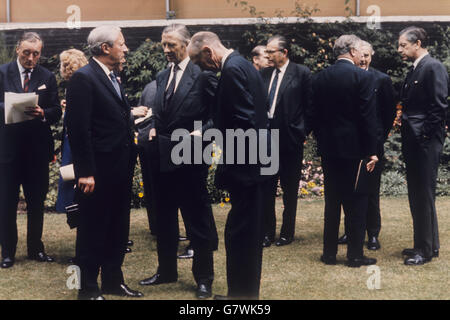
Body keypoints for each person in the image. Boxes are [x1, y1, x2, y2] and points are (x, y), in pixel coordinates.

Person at [188, 31, 270, 299]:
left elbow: (244, 122)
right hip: (254, 166)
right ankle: (242, 294)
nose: (201, 69)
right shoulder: (245, 65)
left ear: (209, 52)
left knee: (241, 235)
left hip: (245, 168)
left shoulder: (233, 70)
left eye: (200, 62)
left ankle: (242, 297)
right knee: (243, 234)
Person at [138, 24, 218, 299]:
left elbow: (217, 117)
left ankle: (204, 279)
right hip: (161, 155)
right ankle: (167, 270)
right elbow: (162, 112)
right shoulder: (162, 76)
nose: (166, 50)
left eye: (171, 44)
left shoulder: (204, 76)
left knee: (197, 218)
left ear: (186, 44)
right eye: (163, 44)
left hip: (191, 157)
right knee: (164, 217)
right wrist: (152, 126)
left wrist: (202, 133)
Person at [65, 25, 143, 300]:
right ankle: (86, 289)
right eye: (121, 44)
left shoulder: (112, 76)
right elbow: (78, 128)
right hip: (96, 172)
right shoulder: (84, 79)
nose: (125, 49)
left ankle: (113, 280)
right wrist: (85, 172)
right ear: (105, 48)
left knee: (117, 227)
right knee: (91, 230)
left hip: (119, 169)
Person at [309, 34, 378, 268]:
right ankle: (355, 255)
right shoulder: (362, 77)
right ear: (351, 51)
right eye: (359, 51)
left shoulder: (319, 78)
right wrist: (372, 150)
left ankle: (329, 253)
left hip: (329, 149)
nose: (361, 55)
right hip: (355, 150)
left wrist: (323, 140)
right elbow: (368, 118)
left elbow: (313, 116)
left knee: (332, 201)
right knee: (356, 203)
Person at [0, 32, 61, 269]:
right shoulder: (3, 73)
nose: (31, 58)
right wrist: (10, 105)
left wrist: (44, 113)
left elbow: (56, 109)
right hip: (8, 151)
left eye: (36, 53)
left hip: (36, 151)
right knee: (6, 202)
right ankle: (8, 252)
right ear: (18, 49)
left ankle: (36, 248)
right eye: (27, 52)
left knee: (37, 202)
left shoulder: (47, 76)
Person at [337, 40, 396, 251]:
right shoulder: (348, 78)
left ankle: (372, 233)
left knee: (371, 191)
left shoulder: (381, 79)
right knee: (348, 189)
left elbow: (389, 113)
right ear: (353, 55)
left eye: (367, 56)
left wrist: (378, 138)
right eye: (360, 55)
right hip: (350, 144)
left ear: (372, 56)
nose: (363, 60)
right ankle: (351, 231)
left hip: (373, 144)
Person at [397, 26, 448, 265]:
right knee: (418, 193)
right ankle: (427, 244)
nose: (400, 50)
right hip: (416, 141)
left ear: (417, 44)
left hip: (424, 142)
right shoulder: (417, 68)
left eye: (403, 45)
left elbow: (438, 107)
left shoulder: (433, 67)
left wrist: (425, 137)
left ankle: (424, 251)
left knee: (423, 193)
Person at [260, 35, 312, 247]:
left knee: (289, 190)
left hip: (290, 139)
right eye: (267, 51)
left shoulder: (301, 74)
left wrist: (300, 132)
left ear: (284, 52)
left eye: (271, 51)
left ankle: (286, 232)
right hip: (265, 138)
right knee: (266, 188)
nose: (268, 55)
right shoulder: (263, 74)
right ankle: (267, 232)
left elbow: (310, 108)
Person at [55, 49, 88, 214]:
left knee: (75, 174)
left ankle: (75, 208)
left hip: (74, 139)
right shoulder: (79, 83)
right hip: (72, 138)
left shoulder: (77, 84)